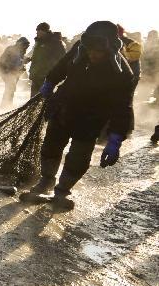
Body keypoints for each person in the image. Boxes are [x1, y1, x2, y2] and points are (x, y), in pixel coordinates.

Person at [21, 21, 135, 210]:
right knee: (51, 146)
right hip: (63, 109)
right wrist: (49, 82)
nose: (92, 54)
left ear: (110, 50)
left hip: (91, 119)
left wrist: (116, 138)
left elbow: (123, 107)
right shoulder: (80, 50)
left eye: (98, 51)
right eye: (89, 50)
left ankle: (63, 190)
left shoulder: (122, 73)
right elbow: (61, 66)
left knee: (79, 157)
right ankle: (46, 180)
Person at [28, 22, 65, 97]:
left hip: (46, 76)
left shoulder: (55, 42)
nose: (36, 32)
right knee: (33, 98)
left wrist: (53, 71)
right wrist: (31, 59)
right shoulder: (38, 42)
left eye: (38, 30)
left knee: (44, 98)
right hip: (36, 76)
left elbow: (62, 58)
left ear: (44, 31)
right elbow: (38, 57)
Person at [0, 37, 30, 109]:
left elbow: (18, 59)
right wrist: (23, 61)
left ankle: (7, 104)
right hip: (8, 71)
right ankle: (5, 106)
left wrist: (24, 59)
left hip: (11, 72)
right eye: (25, 45)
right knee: (10, 88)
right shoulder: (13, 50)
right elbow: (14, 62)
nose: (25, 47)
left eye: (26, 46)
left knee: (11, 89)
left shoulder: (19, 49)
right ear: (21, 44)